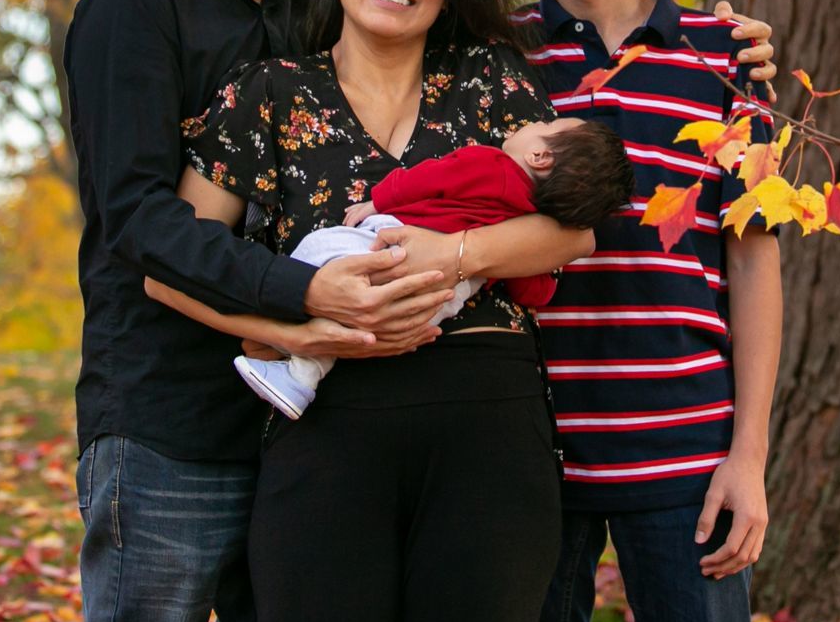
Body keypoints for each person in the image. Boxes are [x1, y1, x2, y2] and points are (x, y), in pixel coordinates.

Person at [61, 0, 454, 622]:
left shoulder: (318, 9)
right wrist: (304, 292)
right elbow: (136, 220)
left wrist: (694, 37)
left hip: (307, 428)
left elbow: (466, 43)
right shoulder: (134, 4)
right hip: (170, 420)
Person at [145, 0, 591, 622]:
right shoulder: (271, 93)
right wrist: (293, 328)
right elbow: (169, 269)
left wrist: (449, 256)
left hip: (487, 426)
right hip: (326, 428)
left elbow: (569, 231)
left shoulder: (490, 81)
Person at [506, 0, 785, 622]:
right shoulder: (498, 60)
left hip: (688, 450)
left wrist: (750, 457)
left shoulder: (727, 55)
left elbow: (754, 261)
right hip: (531, 452)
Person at [218, 116, 634, 419]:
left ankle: (287, 351)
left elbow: (432, 178)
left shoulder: (490, 165)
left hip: (397, 241)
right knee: (364, 323)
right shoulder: (531, 221)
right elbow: (532, 293)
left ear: (539, 154)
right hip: (441, 299)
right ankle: (300, 375)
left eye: (545, 123)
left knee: (319, 252)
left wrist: (379, 199)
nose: (536, 120)